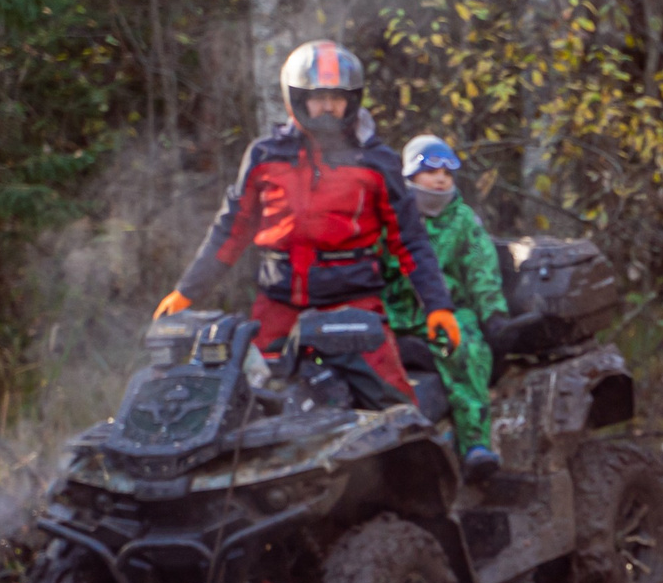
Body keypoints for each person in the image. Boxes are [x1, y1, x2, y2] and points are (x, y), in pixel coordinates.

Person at [158, 40, 458, 400]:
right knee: (245, 399)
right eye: (318, 97)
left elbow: (410, 240)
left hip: (354, 305)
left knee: (392, 404)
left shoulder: (377, 161)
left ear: (353, 99)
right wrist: (187, 291)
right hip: (277, 306)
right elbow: (231, 231)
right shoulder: (265, 155)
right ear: (297, 98)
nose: (328, 106)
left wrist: (438, 305)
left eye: (337, 96)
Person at [390, 135, 510, 482]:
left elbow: (481, 271)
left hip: (451, 314)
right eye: (430, 171)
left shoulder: (463, 221)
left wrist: (495, 316)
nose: (440, 178)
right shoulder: (391, 219)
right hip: (395, 316)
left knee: (466, 352)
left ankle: (475, 444)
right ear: (410, 176)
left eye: (447, 172)